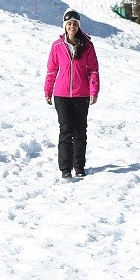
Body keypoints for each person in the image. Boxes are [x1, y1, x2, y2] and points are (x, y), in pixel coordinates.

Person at [43, 9, 99, 179]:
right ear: (65, 26)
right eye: (69, 24)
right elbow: (52, 70)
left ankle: (79, 166)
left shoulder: (87, 45)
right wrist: (48, 91)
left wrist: (93, 90)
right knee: (66, 130)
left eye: (75, 23)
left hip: (81, 94)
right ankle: (65, 169)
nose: (72, 26)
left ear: (78, 26)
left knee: (80, 131)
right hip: (61, 95)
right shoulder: (57, 46)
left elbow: (93, 70)